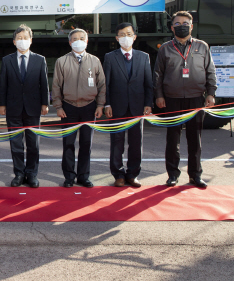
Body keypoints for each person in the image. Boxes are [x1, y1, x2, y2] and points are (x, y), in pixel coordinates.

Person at [154, 10, 217, 188]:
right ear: (172, 27)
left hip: (195, 98)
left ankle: (195, 175)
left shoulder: (202, 46)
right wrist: (159, 95)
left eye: (185, 23)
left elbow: (210, 71)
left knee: (194, 139)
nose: (182, 27)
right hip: (172, 99)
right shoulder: (165, 48)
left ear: (191, 26)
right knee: (172, 139)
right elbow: (157, 74)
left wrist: (210, 93)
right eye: (178, 24)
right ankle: (172, 175)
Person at [52, 28, 105, 188]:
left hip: (89, 107)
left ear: (87, 41)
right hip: (69, 108)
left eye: (82, 38)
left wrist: (100, 104)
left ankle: (83, 176)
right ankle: (69, 177)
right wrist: (58, 106)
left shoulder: (94, 61)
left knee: (86, 143)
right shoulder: (62, 61)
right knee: (68, 144)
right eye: (75, 38)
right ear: (70, 42)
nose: (78, 41)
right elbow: (56, 86)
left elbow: (102, 84)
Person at [103, 22, 153, 188]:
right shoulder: (110, 57)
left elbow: (148, 82)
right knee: (117, 142)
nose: (126, 37)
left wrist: (148, 103)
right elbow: (106, 84)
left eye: (129, 34)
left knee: (136, 142)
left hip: (137, 107)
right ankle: (118, 174)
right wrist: (107, 104)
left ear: (134, 37)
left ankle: (132, 174)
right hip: (117, 107)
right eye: (122, 35)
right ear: (117, 38)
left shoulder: (143, 56)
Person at [0, 24, 49, 188]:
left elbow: (44, 83)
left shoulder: (40, 59)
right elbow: (3, 84)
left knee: (33, 143)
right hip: (13, 107)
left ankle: (32, 174)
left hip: (33, 107)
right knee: (16, 144)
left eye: (25, 38)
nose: (22, 41)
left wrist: (44, 103)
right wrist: (2, 104)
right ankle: (19, 174)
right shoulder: (7, 60)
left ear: (31, 40)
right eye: (19, 38)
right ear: (14, 42)